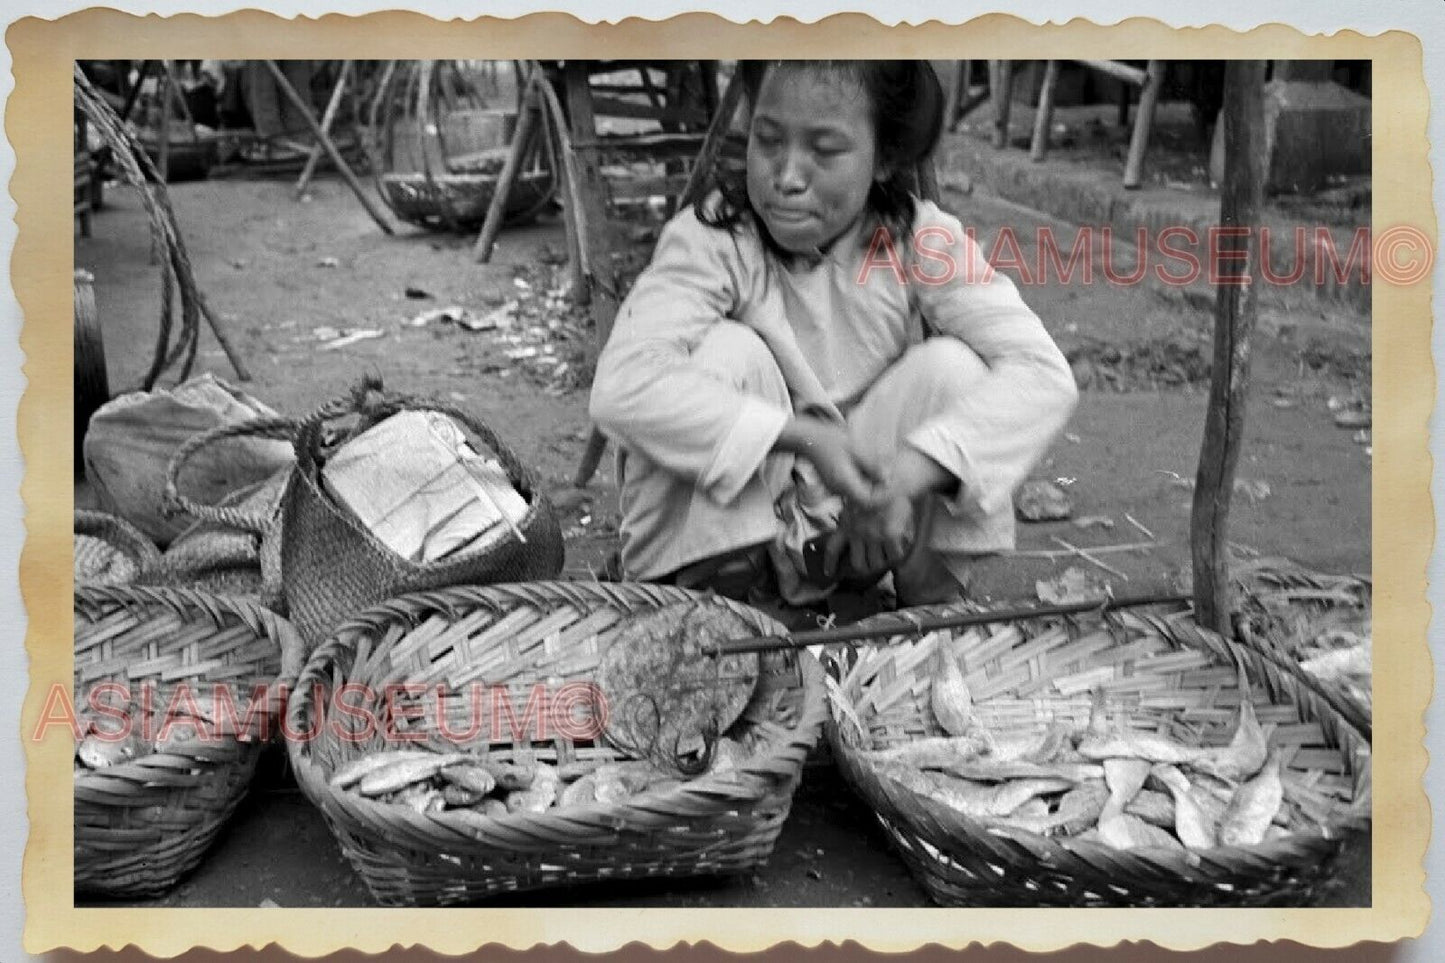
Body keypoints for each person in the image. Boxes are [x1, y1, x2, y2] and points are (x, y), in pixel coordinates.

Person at [589, 60, 1079, 609]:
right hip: (741, 522)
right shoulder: (713, 239)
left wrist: (902, 480)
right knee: (730, 353)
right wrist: (807, 438)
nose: (787, 176)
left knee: (952, 370)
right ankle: (719, 607)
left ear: (885, 158)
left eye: (824, 151)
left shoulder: (922, 241)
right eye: (767, 139)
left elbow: (1044, 375)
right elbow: (620, 386)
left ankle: (932, 610)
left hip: (862, 524)